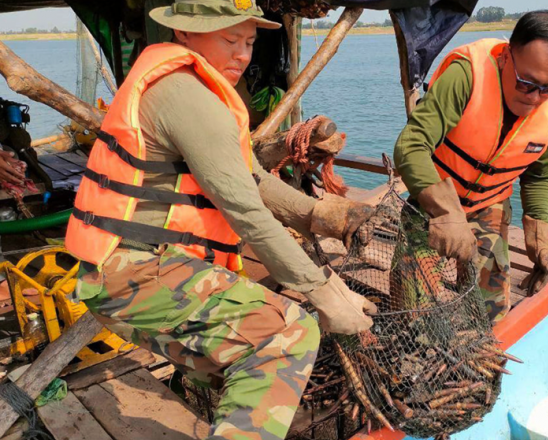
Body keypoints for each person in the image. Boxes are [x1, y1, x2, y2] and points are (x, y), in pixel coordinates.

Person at [65, 1, 377, 439]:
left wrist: (315, 213)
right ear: (186, 34)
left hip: (127, 273)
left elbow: (248, 177)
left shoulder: (200, 88)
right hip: (135, 272)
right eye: (229, 40)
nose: (242, 55)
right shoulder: (184, 94)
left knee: (243, 355)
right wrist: (323, 291)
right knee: (288, 332)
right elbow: (243, 207)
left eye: (249, 42)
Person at [393, 10, 548, 322]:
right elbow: (411, 146)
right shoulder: (466, 76)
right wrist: (446, 212)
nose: (536, 98)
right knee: (414, 310)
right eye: (527, 83)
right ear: (506, 56)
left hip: (488, 204)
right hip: (433, 201)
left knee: (490, 311)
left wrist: (538, 223)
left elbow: (539, 173)